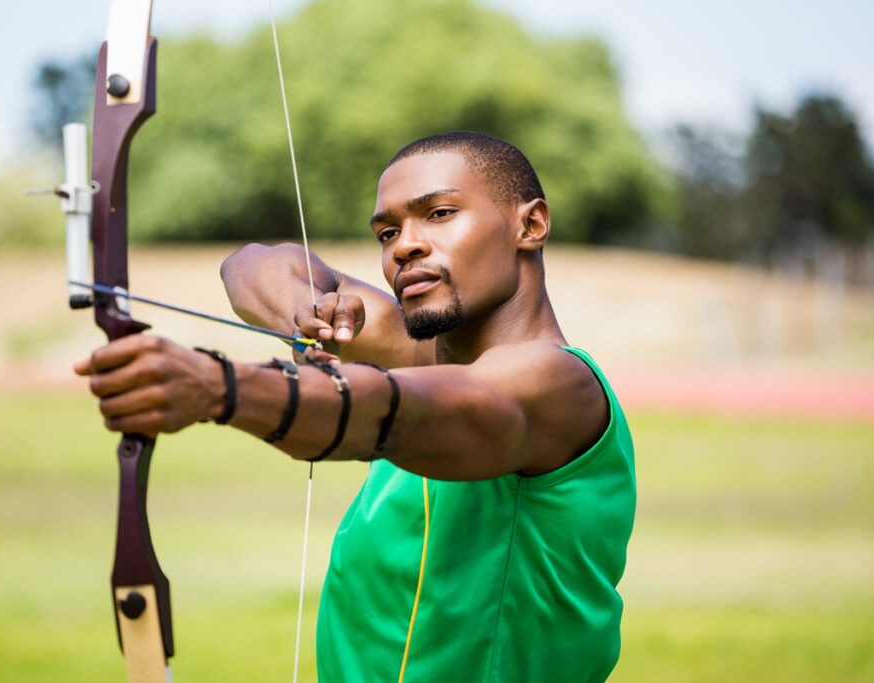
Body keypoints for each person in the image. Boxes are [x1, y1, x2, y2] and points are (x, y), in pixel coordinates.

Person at [75, 131, 635, 681]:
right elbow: (256, 262)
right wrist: (305, 310)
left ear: (530, 225)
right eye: (387, 231)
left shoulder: (557, 384)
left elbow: (385, 410)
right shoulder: (420, 355)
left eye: (439, 213)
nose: (404, 245)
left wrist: (218, 386)